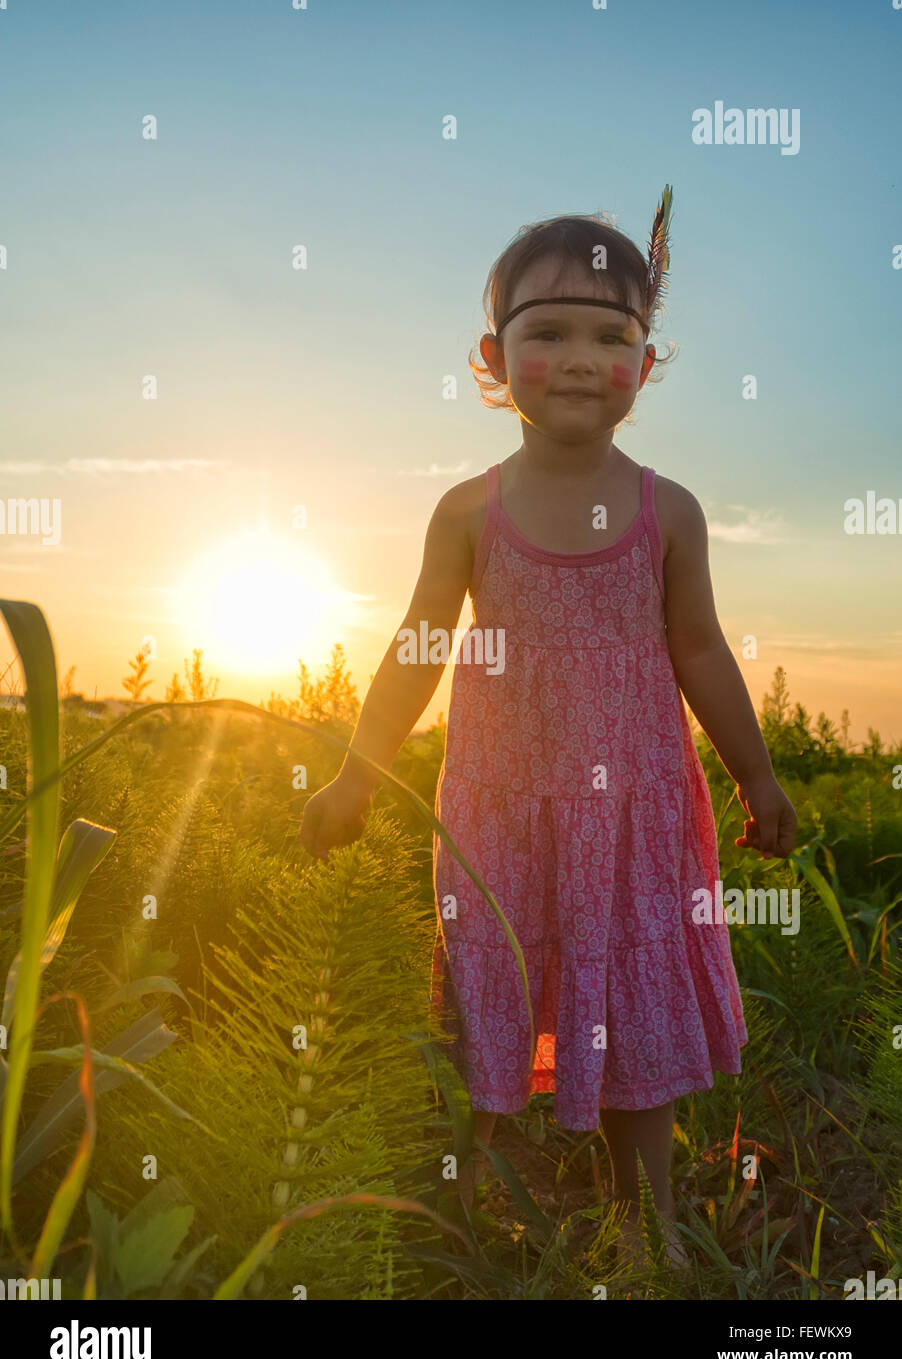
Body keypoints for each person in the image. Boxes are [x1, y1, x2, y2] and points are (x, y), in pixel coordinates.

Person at [299, 187, 797, 1258]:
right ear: (491, 357)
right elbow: (417, 646)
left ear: (645, 366)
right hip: (498, 815)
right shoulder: (468, 512)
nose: (580, 357)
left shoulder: (668, 512)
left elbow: (699, 649)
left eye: (611, 335)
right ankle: (459, 1201)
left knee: (633, 999)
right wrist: (354, 771)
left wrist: (756, 776)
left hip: (631, 823)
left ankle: (645, 1213)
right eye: (549, 331)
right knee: (485, 1000)